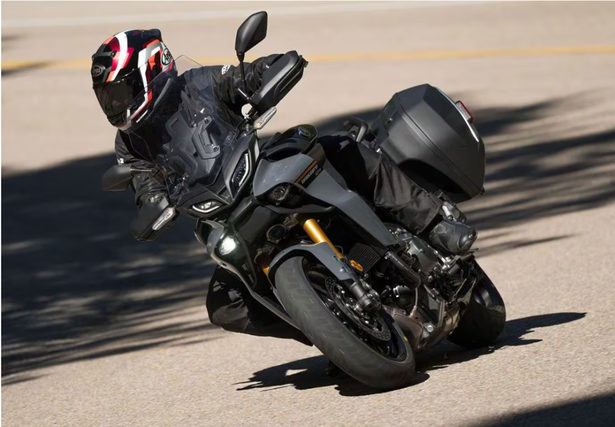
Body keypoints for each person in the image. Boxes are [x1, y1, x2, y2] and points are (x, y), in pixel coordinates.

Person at [92, 29, 477, 347]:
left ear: (152, 68)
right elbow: (143, 183)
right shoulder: (129, 144)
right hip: (222, 213)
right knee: (225, 305)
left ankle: (434, 225)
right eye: (108, 98)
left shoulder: (198, 83)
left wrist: (270, 75)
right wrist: (153, 205)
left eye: (120, 93)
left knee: (338, 148)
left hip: (260, 169)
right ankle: (341, 330)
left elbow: (249, 75)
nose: (115, 105)